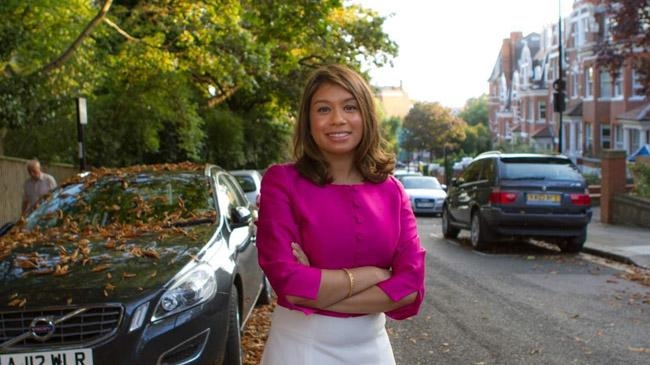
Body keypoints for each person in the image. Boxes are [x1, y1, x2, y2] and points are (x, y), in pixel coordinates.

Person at [256, 64, 426, 365]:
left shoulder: (392, 191)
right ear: (308, 122)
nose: (338, 119)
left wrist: (318, 287)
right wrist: (376, 276)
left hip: (373, 351)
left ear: (366, 116)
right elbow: (290, 285)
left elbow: (410, 289)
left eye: (350, 107)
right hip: (301, 349)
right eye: (323, 109)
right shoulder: (282, 182)